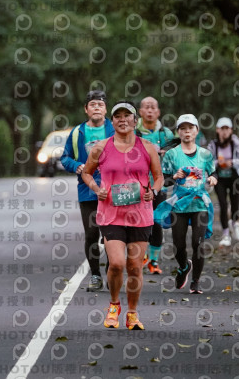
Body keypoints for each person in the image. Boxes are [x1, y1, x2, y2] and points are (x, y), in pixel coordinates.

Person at [82, 101, 164, 330]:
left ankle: (132, 313)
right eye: (117, 116)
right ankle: (114, 305)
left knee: (135, 267)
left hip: (140, 215)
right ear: (113, 121)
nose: (122, 119)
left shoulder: (147, 147)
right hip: (111, 213)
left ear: (134, 120)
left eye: (127, 115)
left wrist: (154, 191)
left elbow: (158, 177)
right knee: (117, 264)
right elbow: (87, 173)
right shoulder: (101, 147)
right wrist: (97, 189)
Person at [61, 90, 115, 292]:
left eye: (100, 105)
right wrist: (77, 166)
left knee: (112, 234)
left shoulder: (115, 129)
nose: (96, 108)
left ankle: (112, 272)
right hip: (87, 191)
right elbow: (65, 158)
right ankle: (95, 275)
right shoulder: (77, 133)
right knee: (92, 234)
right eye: (92, 105)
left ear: (105, 109)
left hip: (113, 191)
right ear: (86, 109)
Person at [158, 114, 217, 294]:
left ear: (196, 131)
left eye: (190, 128)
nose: (187, 132)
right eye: (183, 128)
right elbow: (164, 180)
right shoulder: (172, 155)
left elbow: (215, 172)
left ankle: (196, 282)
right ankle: (184, 266)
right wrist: (174, 177)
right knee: (179, 245)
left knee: (198, 244)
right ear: (179, 132)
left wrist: (214, 178)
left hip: (199, 204)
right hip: (179, 205)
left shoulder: (205, 154)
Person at [135, 96, 174, 274]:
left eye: (153, 107)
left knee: (156, 222)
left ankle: (154, 261)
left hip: (159, 185)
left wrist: (167, 154)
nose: (150, 111)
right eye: (146, 107)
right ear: (140, 112)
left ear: (158, 112)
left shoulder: (166, 134)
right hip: (136, 186)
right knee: (139, 223)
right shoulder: (134, 133)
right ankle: (141, 256)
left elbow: (176, 156)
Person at [207, 117, 239, 247]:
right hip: (219, 179)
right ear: (218, 130)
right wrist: (218, 163)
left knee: (235, 204)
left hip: (234, 178)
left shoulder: (236, 143)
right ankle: (225, 234)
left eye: (227, 129)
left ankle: (234, 223)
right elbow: (207, 161)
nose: (225, 132)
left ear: (231, 130)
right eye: (222, 129)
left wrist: (232, 162)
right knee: (223, 204)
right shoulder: (213, 145)